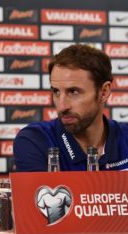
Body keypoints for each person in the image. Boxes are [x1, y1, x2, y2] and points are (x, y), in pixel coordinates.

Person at [14, 44, 128, 172]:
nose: (62, 106)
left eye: (73, 92)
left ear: (104, 92)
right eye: (56, 92)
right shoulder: (35, 140)